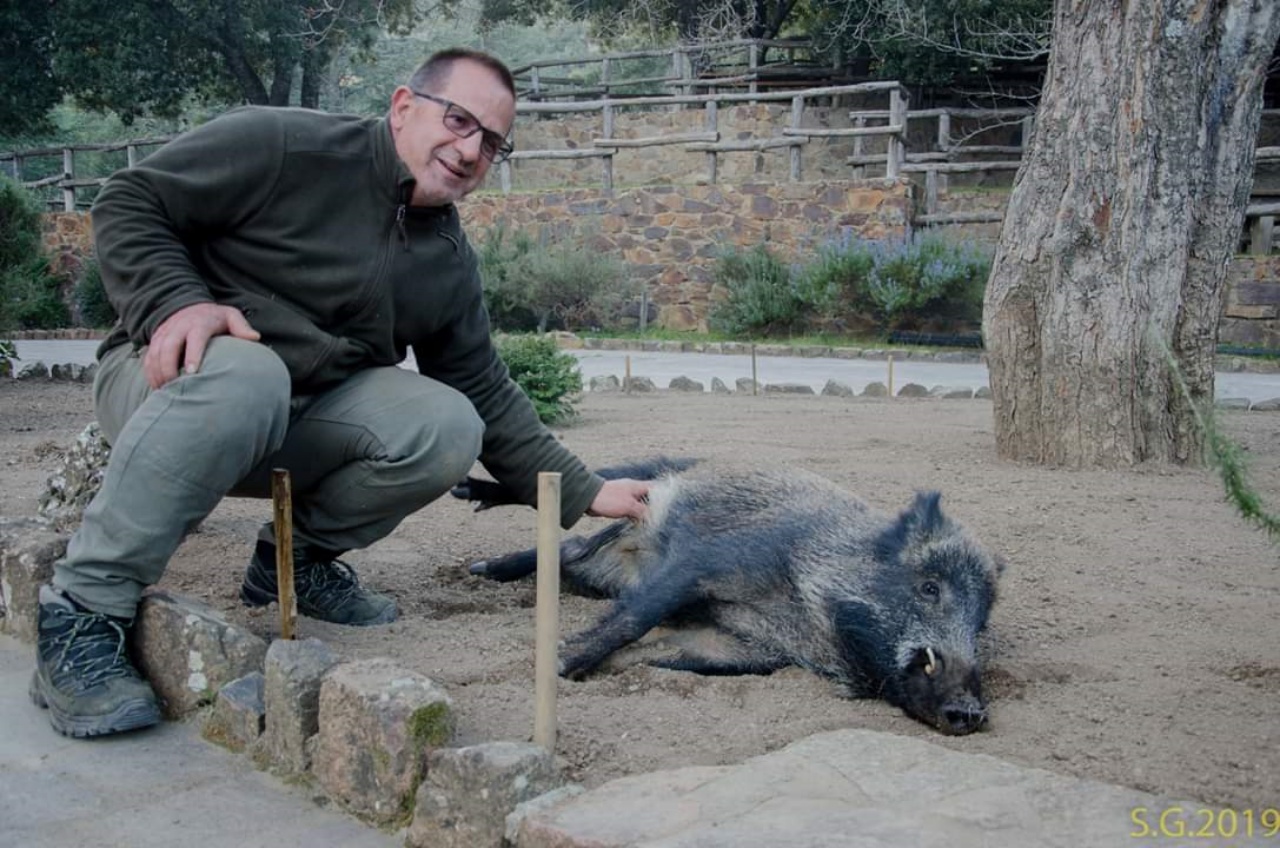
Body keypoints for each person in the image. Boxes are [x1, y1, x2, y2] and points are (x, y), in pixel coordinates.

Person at [30, 48, 651, 739]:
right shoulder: (282, 144)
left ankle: (296, 560)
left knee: (447, 424)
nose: (470, 149)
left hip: (290, 428)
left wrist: (585, 489)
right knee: (250, 373)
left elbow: (482, 386)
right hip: (168, 391)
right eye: (458, 119)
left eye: (492, 142)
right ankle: (83, 610)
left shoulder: (446, 262)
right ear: (402, 106)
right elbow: (130, 198)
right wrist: (175, 303)